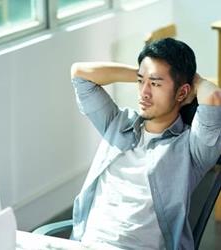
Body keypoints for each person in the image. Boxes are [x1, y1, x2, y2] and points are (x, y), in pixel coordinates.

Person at [70, 38, 221, 250]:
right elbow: (80, 74)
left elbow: (213, 96)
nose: (144, 93)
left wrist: (192, 80)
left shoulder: (191, 149)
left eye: (156, 84)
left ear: (182, 92)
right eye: (141, 82)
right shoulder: (117, 123)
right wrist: (145, 73)